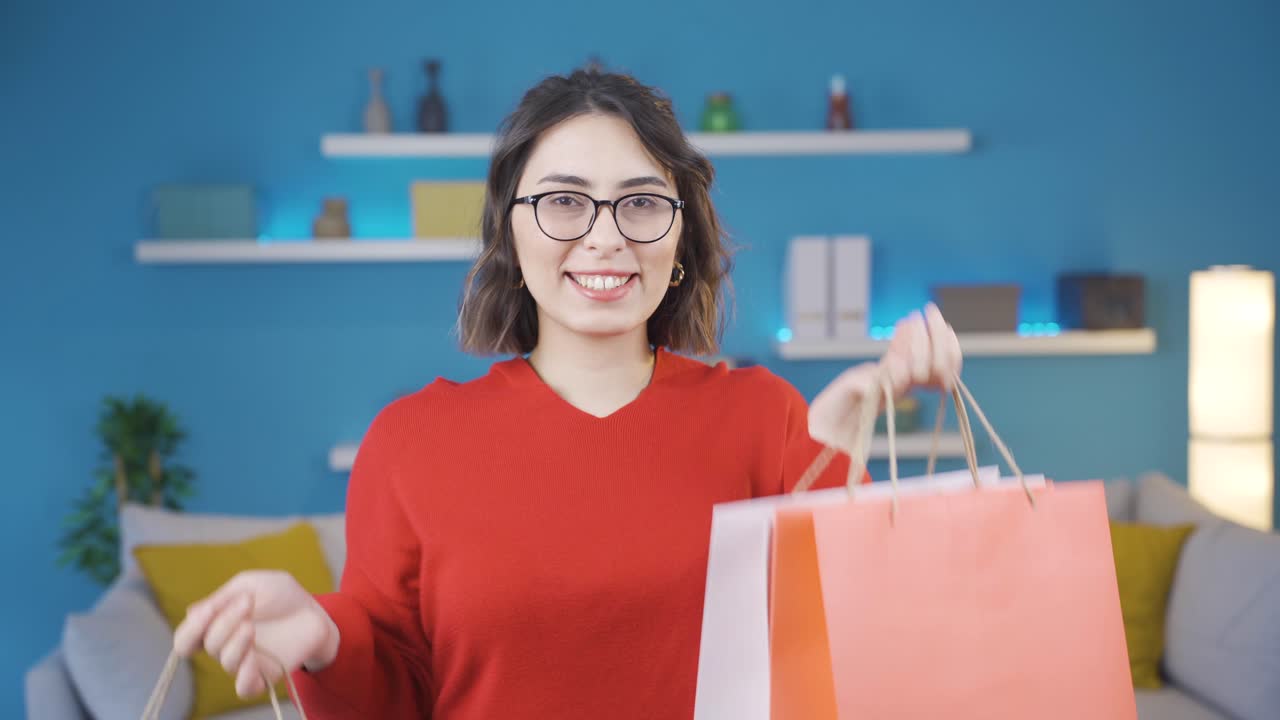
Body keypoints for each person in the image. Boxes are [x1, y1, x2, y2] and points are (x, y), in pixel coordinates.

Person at [172, 67, 962, 719]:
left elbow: (843, 659)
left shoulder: (764, 417)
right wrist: (322, 634)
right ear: (511, 233)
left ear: (679, 234)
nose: (605, 235)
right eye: (563, 201)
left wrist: (842, 446)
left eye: (643, 202)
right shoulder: (410, 441)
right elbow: (396, 688)